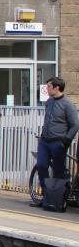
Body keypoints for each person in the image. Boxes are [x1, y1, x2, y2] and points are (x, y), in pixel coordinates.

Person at [32, 77, 78, 207]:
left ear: (57, 87)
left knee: (58, 171)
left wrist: (66, 141)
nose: (46, 89)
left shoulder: (68, 104)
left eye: (49, 87)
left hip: (58, 142)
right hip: (45, 141)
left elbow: (75, 125)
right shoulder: (49, 102)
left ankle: (58, 200)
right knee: (41, 166)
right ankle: (47, 198)